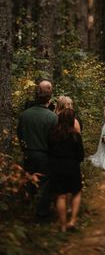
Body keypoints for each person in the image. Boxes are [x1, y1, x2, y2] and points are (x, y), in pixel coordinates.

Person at [17, 85, 57, 221]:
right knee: (45, 184)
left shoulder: (25, 114)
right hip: (45, 155)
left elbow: (20, 135)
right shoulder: (52, 117)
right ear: (49, 98)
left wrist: (25, 149)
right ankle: (41, 214)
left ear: (37, 96)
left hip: (28, 154)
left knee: (29, 182)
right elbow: (54, 140)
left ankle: (27, 211)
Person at [49, 108, 84, 232]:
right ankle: (72, 220)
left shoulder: (53, 134)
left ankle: (63, 225)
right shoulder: (75, 135)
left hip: (57, 167)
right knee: (76, 192)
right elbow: (81, 155)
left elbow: (49, 151)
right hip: (72, 167)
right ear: (71, 120)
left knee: (61, 196)